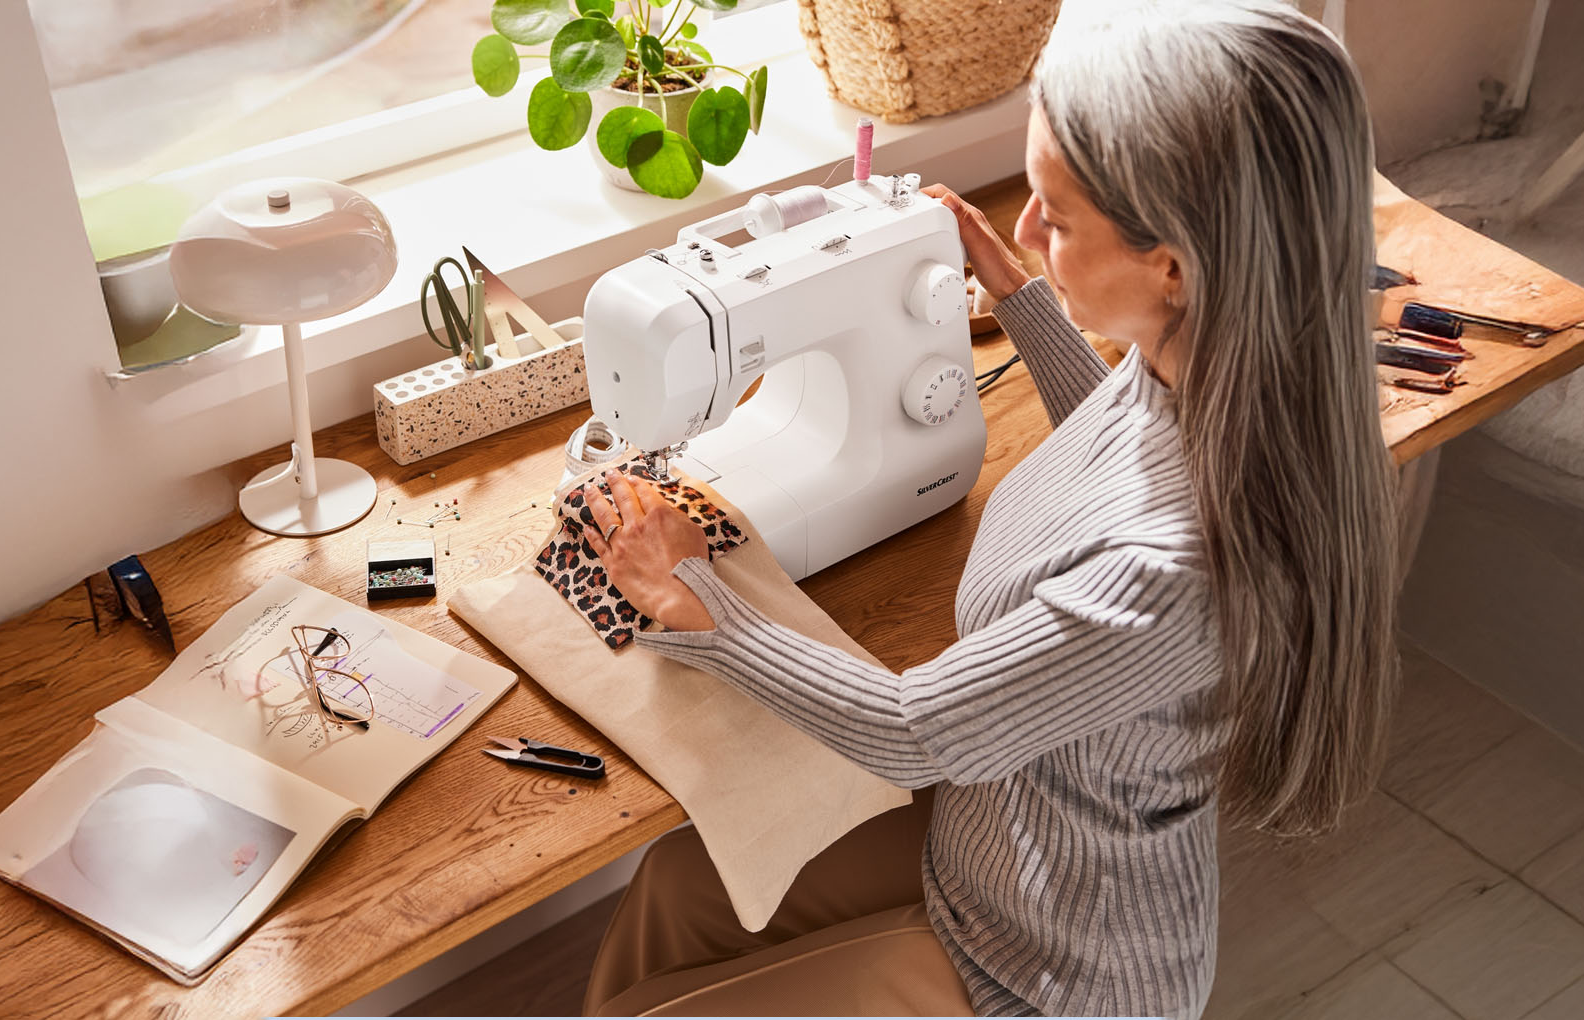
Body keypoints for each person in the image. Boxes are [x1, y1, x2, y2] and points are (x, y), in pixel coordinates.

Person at [575, 0, 1399, 1015]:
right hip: (996, 843)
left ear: (1173, 268)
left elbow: (911, 731)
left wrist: (696, 601)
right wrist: (1021, 293)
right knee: (674, 890)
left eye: (1054, 216)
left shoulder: (1170, 571)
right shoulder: (1210, 376)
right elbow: (1119, 436)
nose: (1023, 227)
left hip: (1053, 969)